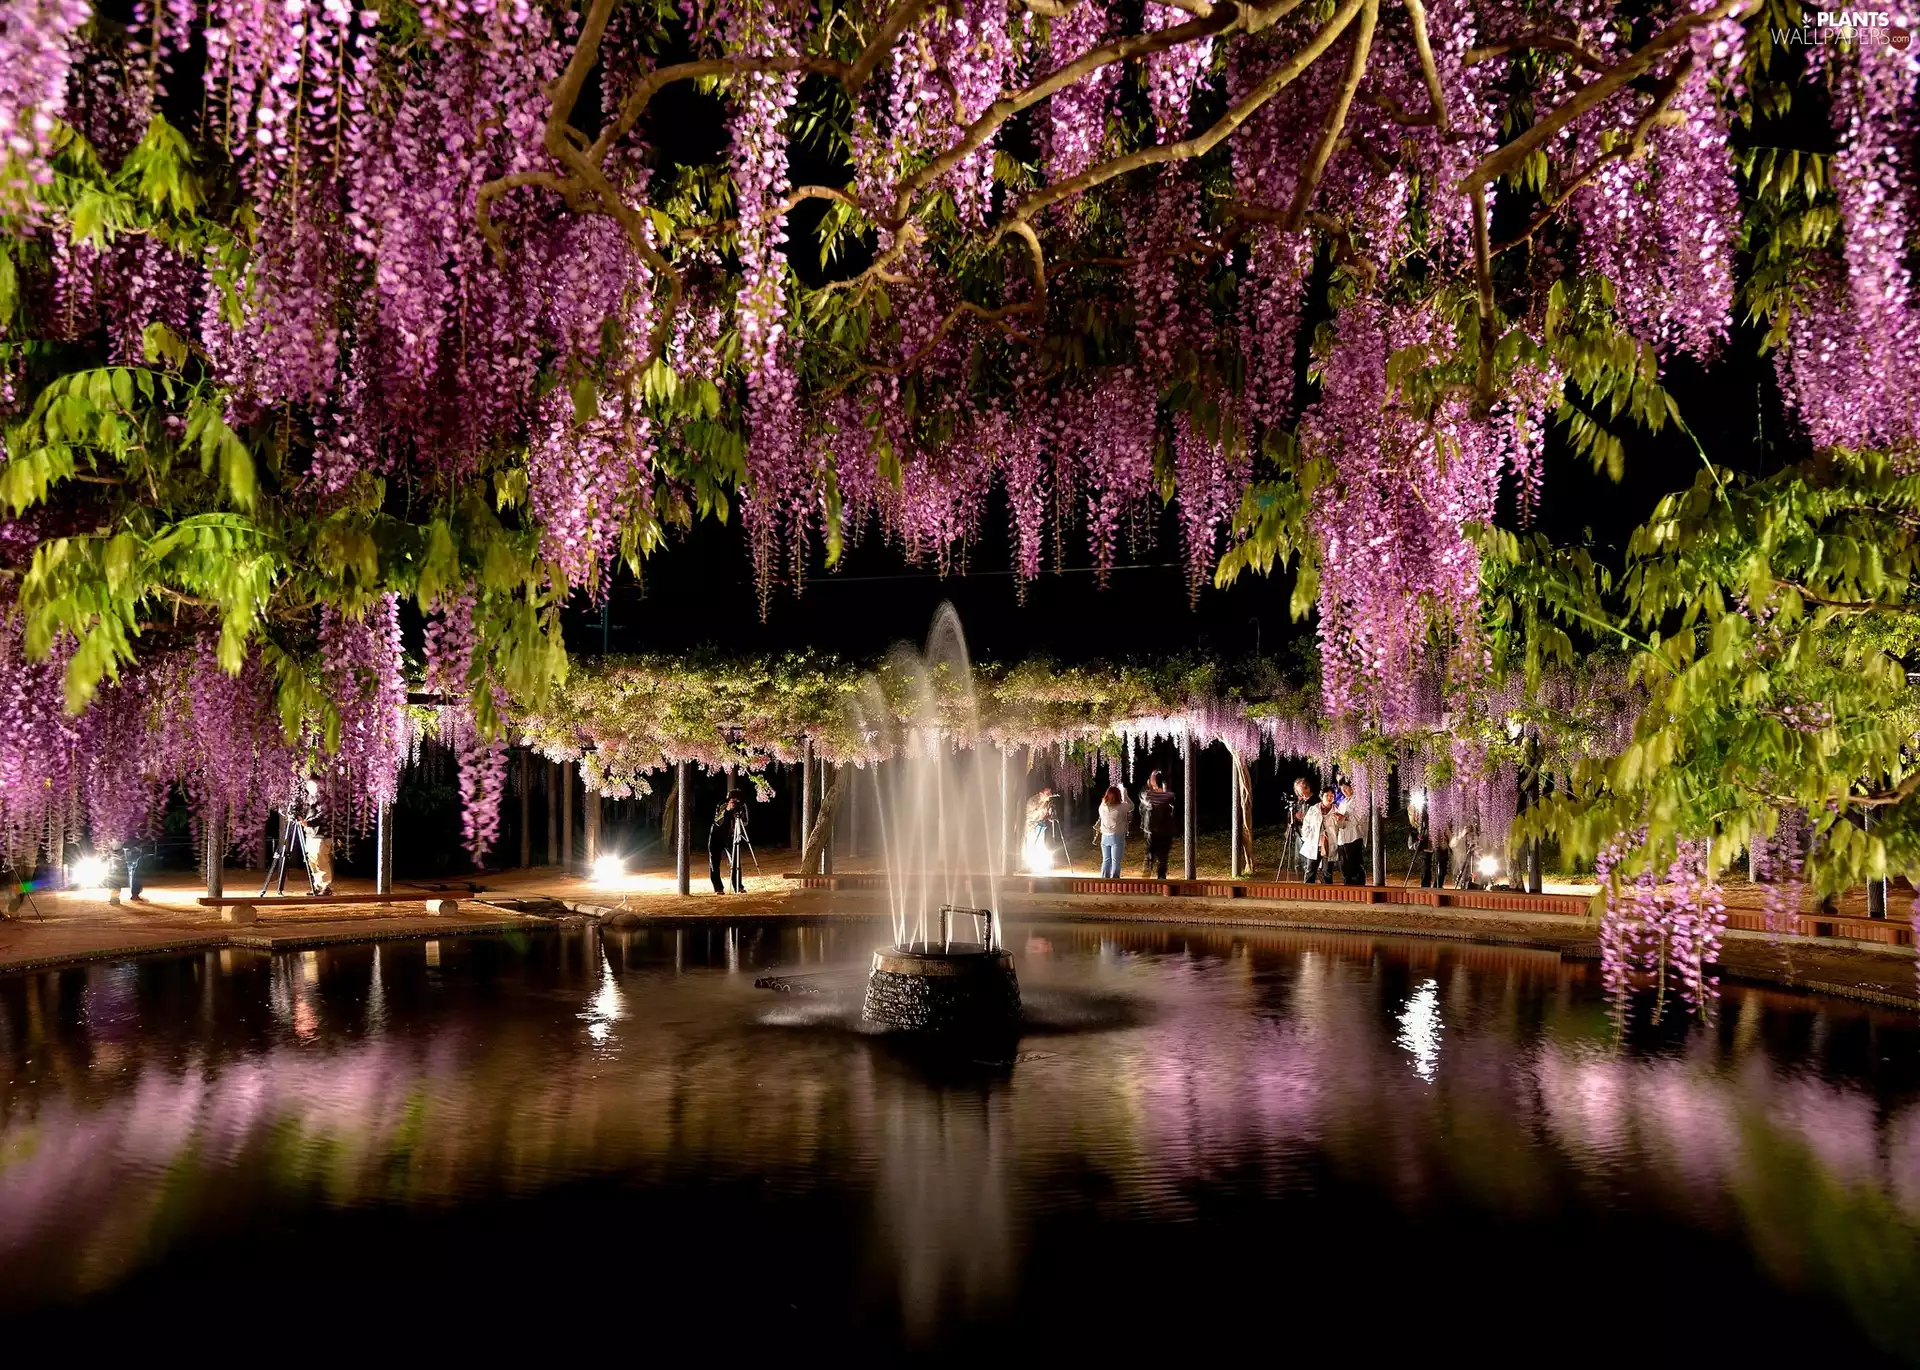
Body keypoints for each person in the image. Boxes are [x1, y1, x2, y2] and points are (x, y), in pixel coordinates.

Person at [1138, 771, 1176, 879]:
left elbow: (1142, 794)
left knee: (1150, 851)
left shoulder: (1149, 795)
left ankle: (1148, 871)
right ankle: (1161, 876)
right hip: (1166, 830)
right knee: (1163, 855)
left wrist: (1150, 783)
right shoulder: (1170, 796)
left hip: (1152, 830)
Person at [709, 793, 747, 893]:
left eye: (737, 800)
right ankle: (718, 888)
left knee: (735, 862)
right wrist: (727, 811)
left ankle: (738, 886)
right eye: (733, 800)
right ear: (729, 799)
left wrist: (739, 817)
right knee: (714, 862)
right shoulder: (722, 805)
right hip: (717, 836)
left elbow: (746, 822)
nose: (735, 802)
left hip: (732, 837)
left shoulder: (742, 806)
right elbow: (717, 821)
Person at [1095, 785, 1133, 878]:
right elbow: (1131, 806)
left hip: (1105, 836)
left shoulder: (1102, 806)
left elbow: (1105, 800)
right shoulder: (1121, 807)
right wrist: (1125, 795)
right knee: (1116, 860)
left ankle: (1104, 880)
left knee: (1106, 860)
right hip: (1117, 836)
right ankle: (1115, 881)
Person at [1335, 790, 1366, 885]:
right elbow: (1340, 823)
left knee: (1355, 864)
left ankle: (1359, 886)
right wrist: (1338, 819)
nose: (1344, 790)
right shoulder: (1343, 802)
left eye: (1346, 787)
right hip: (1342, 838)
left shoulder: (1359, 800)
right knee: (1344, 865)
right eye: (1342, 788)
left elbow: (1361, 818)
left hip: (1354, 836)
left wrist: (1345, 818)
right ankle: (1347, 887)